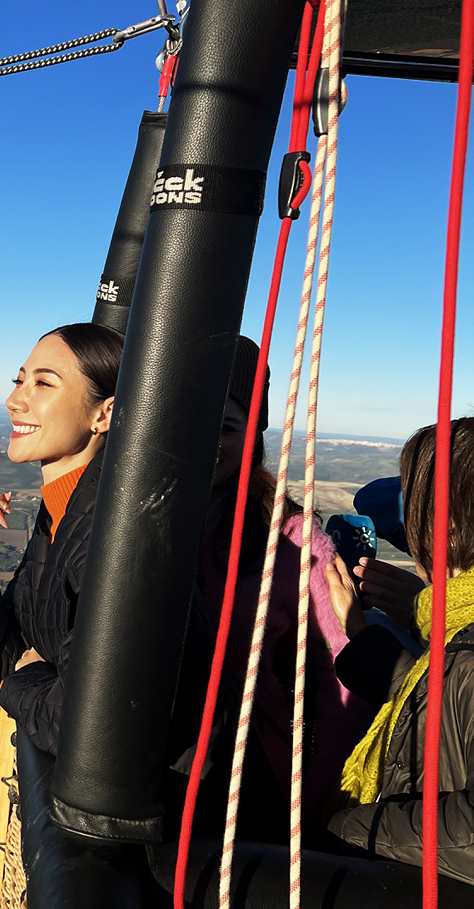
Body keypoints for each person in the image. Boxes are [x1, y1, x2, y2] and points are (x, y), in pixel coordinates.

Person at [167, 336, 371, 836]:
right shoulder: (132, 520)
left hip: (246, 781)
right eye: (192, 419)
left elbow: (341, 674)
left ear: (252, 438)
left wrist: (310, 799)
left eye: (226, 426)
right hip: (141, 769)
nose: (206, 439)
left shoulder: (293, 539)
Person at [0, 322, 121, 756]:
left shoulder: (110, 536)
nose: (14, 400)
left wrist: (22, 678)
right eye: (19, 381)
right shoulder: (61, 514)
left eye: (43, 383)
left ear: (104, 414)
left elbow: (83, 726)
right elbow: (1, 664)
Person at [325, 417, 474, 885]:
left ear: (447, 526)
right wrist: (367, 627)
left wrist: (349, 829)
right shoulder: (455, 626)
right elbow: (436, 709)